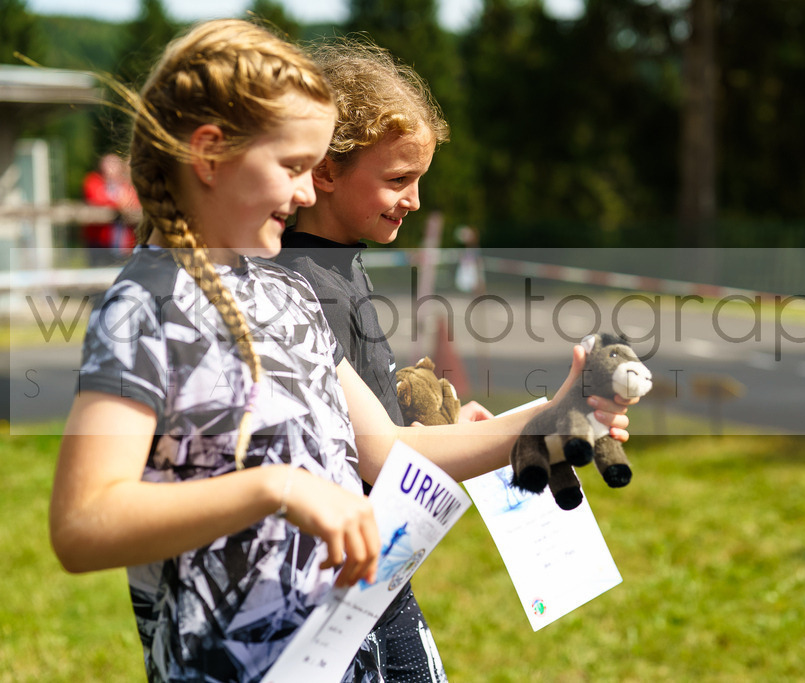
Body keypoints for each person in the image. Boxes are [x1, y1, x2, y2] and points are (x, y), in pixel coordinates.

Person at [49, 20, 632, 683]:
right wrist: (276, 487)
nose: (306, 192)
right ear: (209, 155)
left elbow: (387, 451)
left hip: (364, 646)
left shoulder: (285, 294)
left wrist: (551, 418)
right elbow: (83, 523)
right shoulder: (146, 306)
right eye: (292, 166)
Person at [275, 38, 637, 681]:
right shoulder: (301, 285)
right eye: (397, 180)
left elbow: (362, 421)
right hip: (335, 603)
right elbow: (379, 455)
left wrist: (446, 425)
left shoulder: (340, 262)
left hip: (376, 582)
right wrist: (548, 420)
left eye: (419, 180)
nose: (414, 200)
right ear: (325, 171)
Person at [81, 152, 139, 265]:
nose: (110, 169)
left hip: (124, 243)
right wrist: (119, 203)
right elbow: (95, 199)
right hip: (99, 241)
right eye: (108, 165)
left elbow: (135, 203)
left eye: (114, 165)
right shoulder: (93, 181)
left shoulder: (127, 185)